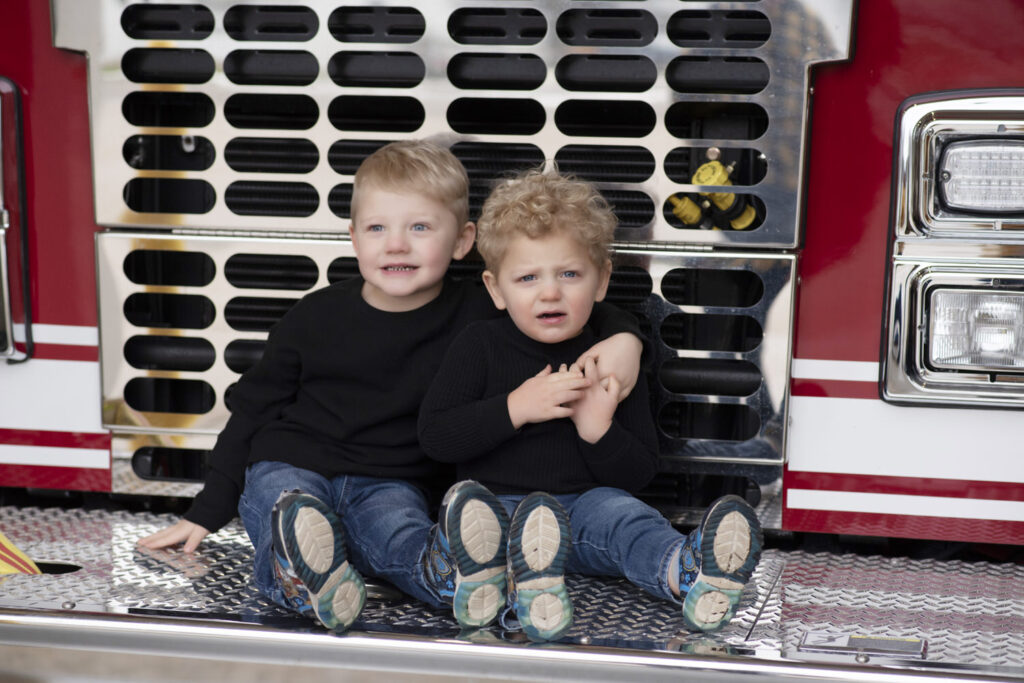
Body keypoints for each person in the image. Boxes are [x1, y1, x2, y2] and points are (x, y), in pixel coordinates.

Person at [137, 140, 646, 633]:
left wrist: (628, 339)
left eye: (420, 227)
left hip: (392, 481)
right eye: (377, 227)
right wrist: (206, 512)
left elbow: (569, 308)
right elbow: (252, 411)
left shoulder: (481, 311)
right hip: (292, 461)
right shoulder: (313, 316)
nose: (396, 244)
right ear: (354, 237)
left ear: (463, 242)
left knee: (400, 536)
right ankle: (302, 581)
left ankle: (457, 582)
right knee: (283, 506)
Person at [418, 168, 763, 642]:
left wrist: (597, 429)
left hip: (581, 511)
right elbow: (436, 435)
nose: (550, 291)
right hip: (496, 508)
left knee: (626, 516)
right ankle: (506, 585)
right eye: (527, 277)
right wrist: (515, 407)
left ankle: (687, 573)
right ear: (496, 289)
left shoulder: (609, 360)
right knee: (467, 516)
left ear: (601, 281)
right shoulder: (478, 345)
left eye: (569, 274)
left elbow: (639, 472)